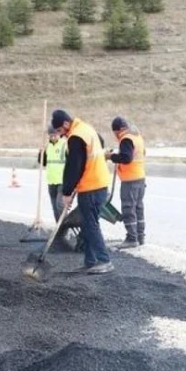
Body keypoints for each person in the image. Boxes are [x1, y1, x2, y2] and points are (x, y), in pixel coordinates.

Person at [53, 109, 113, 274]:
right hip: (95, 183)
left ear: (65, 124)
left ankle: (104, 260)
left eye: (59, 130)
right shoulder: (85, 129)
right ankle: (90, 260)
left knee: (91, 224)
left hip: (92, 186)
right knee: (87, 224)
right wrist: (72, 189)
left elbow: (74, 166)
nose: (60, 134)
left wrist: (67, 192)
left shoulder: (76, 137)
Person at [107, 116, 146, 249]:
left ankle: (131, 238)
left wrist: (111, 156)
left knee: (128, 208)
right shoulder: (137, 137)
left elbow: (126, 158)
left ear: (119, 130)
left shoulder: (126, 139)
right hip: (140, 178)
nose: (116, 135)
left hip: (130, 180)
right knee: (138, 208)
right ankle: (140, 236)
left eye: (115, 132)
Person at [38, 124, 67, 221]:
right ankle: (58, 230)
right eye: (51, 135)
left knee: (60, 205)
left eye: (55, 135)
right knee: (54, 208)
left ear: (59, 134)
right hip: (51, 181)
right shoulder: (47, 147)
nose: (53, 137)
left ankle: (65, 226)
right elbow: (43, 162)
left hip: (62, 180)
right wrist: (41, 152)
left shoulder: (64, 144)